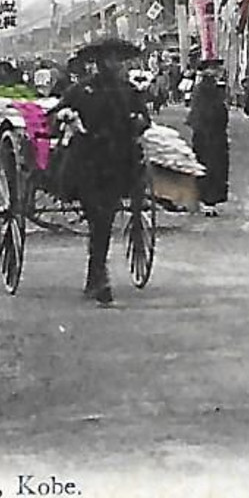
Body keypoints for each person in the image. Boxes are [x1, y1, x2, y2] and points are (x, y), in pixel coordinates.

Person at [59, 40, 151, 305]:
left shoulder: (128, 91)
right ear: (97, 63)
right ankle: (98, 275)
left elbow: (145, 120)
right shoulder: (81, 90)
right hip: (87, 157)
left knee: (104, 218)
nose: (112, 64)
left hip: (119, 158)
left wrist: (139, 123)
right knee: (98, 216)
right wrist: (66, 118)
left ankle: (96, 274)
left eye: (115, 59)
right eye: (106, 59)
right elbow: (56, 116)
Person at [187, 60, 230, 216]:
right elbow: (202, 112)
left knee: (213, 166)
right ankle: (207, 200)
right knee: (209, 166)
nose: (218, 71)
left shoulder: (212, 88)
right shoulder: (205, 89)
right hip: (208, 135)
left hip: (214, 134)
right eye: (214, 69)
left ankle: (209, 199)